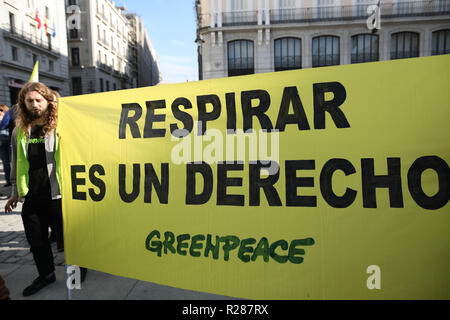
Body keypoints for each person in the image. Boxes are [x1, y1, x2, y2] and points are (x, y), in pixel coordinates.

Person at [3, 82, 85, 297]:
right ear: (23, 103)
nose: (35, 104)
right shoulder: (20, 130)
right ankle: (46, 275)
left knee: (70, 238)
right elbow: (15, 160)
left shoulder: (61, 126)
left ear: (49, 101)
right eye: (30, 101)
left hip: (60, 193)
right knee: (37, 241)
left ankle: (79, 268)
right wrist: (14, 192)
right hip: (32, 195)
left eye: (39, 100)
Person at [0, 104, 11, 186]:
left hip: (10, 142)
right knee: (5, 162)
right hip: (2, 144)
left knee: (11, 162)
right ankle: (8, 181)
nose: (0, 112)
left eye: (1, 110)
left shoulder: (8, 117)